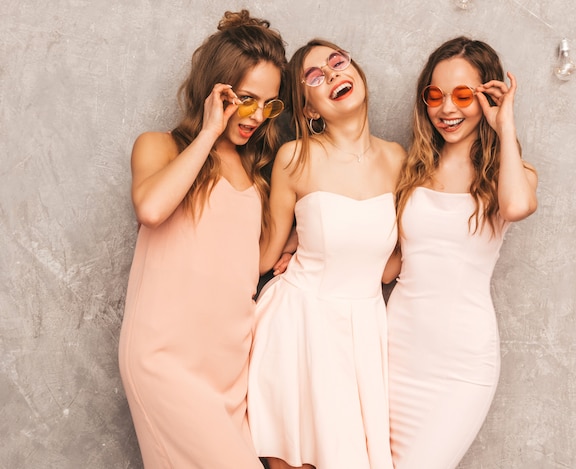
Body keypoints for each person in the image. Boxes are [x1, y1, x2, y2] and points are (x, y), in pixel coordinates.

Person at [117, 10, 287, 469]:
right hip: (165, 362)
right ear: (216, 90)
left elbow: (243, 268)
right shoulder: (161, 147)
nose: (255, 116)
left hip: (229, 373)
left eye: (268, 104)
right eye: (245, 99)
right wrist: (210, 131)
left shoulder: (255, 175)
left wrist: (292, 247)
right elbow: (152, 210)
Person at [247, 39, 405, 469]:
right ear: (309, 109)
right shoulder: (294, 156)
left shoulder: (398, 159)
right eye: (315, 76)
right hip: (298, 324)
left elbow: (391, 267)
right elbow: (264, 257)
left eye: (337, 61)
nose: (333, 74)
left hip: (362, 335)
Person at [384, 36, 538, 469]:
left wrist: (504, 125)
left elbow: (516, 207)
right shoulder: (410, 170)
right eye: (435, 95)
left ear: (487, 95)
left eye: (463, 95)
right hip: (395, 353)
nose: (446, 108)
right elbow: (387, 264)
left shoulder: (512, 175)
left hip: (460, 363)